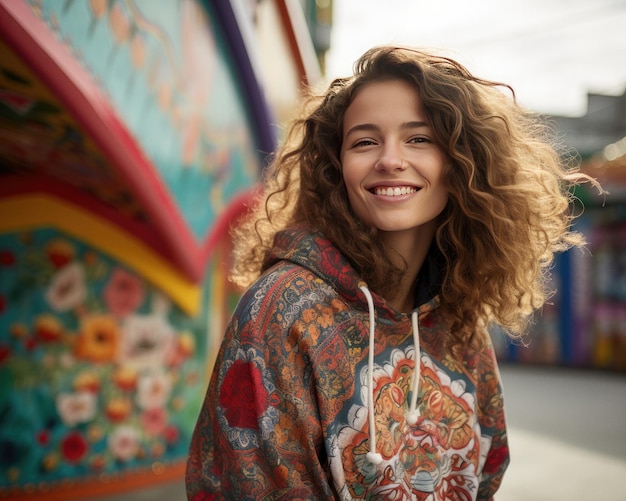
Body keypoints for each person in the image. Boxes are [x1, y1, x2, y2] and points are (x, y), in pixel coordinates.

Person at [186, 46, 599, 500]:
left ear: (462, 162)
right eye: (364, 141)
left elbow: (485, 473)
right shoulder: (280, 313)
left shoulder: (458, 316)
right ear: (335, 167)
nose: (389, 159)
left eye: (419, 139)